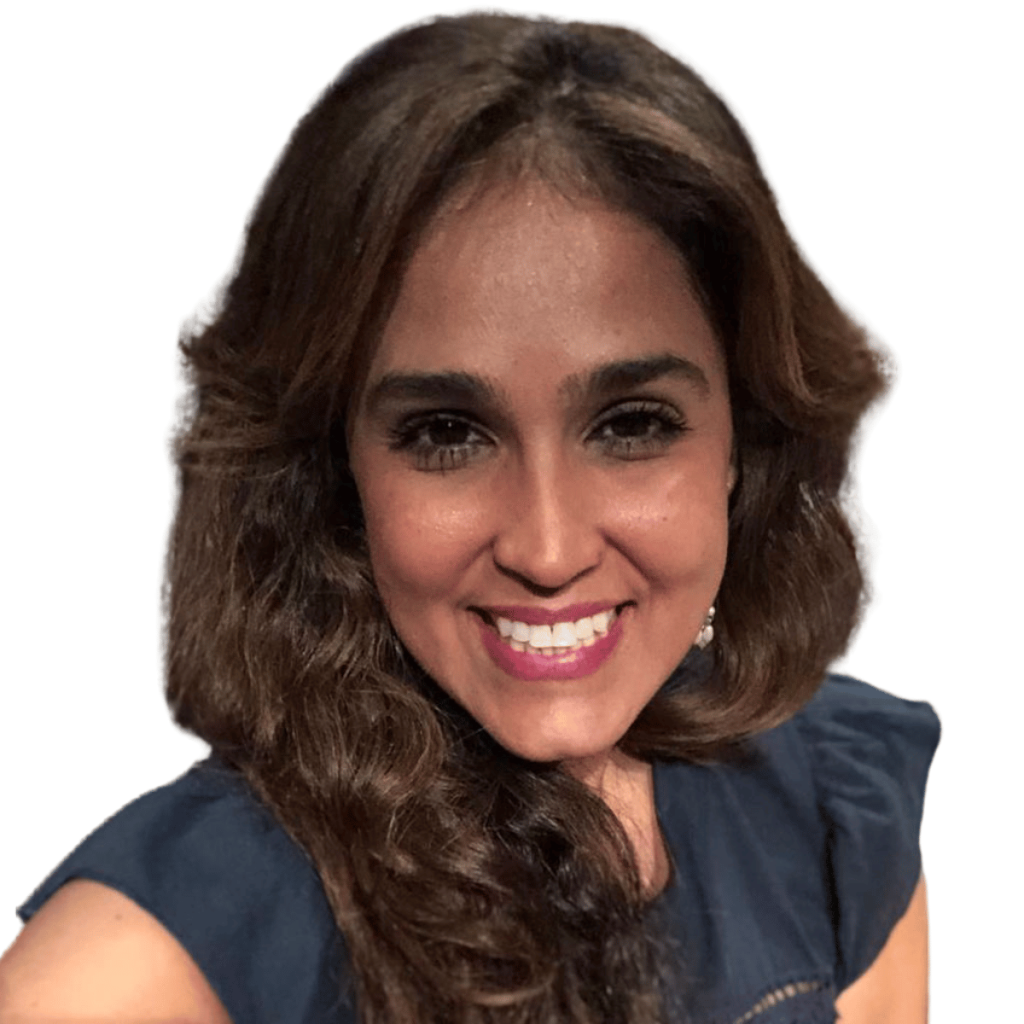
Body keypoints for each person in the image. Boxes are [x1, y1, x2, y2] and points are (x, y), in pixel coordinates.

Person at [0, 12, 938, 1024]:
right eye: (447, 433)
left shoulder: (829, 810)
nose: (548, 549)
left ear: (743, 442)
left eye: (631, 425)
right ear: (331, 471)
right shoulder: (164, 952)